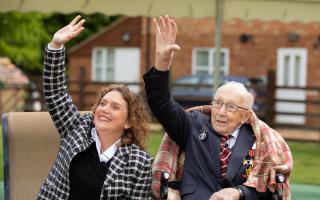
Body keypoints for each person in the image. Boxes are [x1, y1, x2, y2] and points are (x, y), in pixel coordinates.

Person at [143, 15, 292, 200]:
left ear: (245, 116)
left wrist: (239, 192)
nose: (221, 112)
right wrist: (162, 62)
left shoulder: (260, 141)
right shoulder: (193, 125)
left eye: (230, 107)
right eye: (218, 103)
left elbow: (269, 191)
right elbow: (161, 103)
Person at [38, 15, 152, 199]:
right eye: (103, 103)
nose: (105, 109)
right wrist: (56, 46)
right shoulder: (76, 128)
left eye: (115, 107)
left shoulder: (140, 162)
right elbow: (55, 92)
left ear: (129, 122)